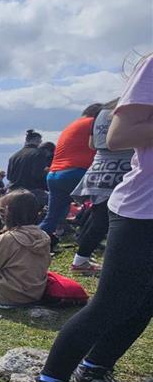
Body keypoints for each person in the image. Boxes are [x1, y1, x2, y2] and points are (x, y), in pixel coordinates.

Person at [26, 55, 153, 382]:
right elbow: (119, 135)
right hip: (141, 209)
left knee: (145, 300)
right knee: (112, 302)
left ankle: (95, 368)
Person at [69, 98, 135, 275]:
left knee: (99, 218)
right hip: (122, 168)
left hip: (99, 169)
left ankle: (81, 259)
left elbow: (92, 144)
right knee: (115, 220)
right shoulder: (132, 110)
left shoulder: (100, 114)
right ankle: (95, 261)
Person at [39, 105, 103, 245]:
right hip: (76, 172)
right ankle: (85, 242)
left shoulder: (71, 126)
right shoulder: (94, 123)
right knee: (100, 208)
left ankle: (29, 244)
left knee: (52, 217)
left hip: (54, 174)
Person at [6, 129, 51, 208]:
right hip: (31, 193)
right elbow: (38, 175)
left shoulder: (14, 156)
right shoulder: (39, 154)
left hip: (12, 193)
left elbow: (9, 176)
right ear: (39, 141)